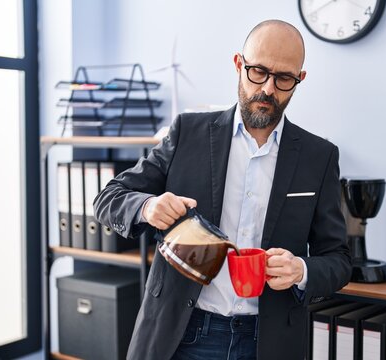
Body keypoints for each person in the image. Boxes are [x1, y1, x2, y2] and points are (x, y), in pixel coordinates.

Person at [94, 19, 351, 360]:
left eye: (284, 78)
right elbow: (109, 198)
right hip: (181, 334)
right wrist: (148, 207)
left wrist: (301, 270)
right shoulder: (188, 132)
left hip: (268, 342)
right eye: (257, 71)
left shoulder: (319, 157)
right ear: (238, 65)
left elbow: (339, 260)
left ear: (299, 80)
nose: (268, 89)